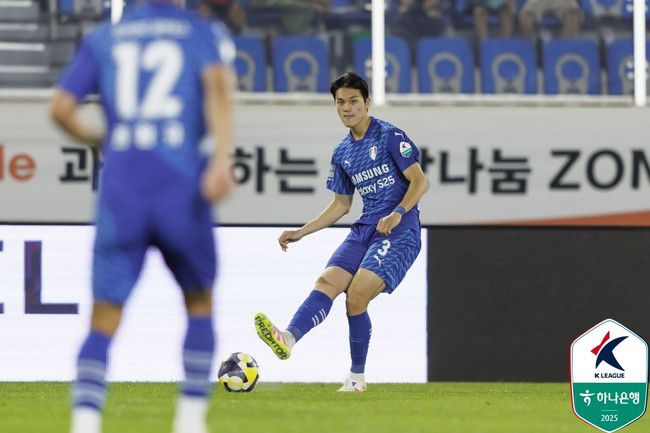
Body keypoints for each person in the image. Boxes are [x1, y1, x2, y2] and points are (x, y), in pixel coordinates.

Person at [49, 1, 236, 432]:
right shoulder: (198, 31)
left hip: (122, 195)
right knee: (199, 304)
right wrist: (222, 159)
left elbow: (60, 108)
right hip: (181, 190)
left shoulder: (104, 37)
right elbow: (219, 88)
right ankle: (190, 420)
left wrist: (103, 139)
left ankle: (85, 422)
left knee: (103, 316)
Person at [254, 72, 428, 392]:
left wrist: (398, 213)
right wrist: (301, 232)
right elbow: (341, 205)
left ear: (367, 102)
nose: (346, 108)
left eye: (353, 101)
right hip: (365, 228)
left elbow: (420, 181)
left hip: (400, 230)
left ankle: (356, 378)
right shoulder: (342, 152)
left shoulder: (390, 135)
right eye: (340, 102)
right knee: (327, 281)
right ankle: (288, 338)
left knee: (356, 295)